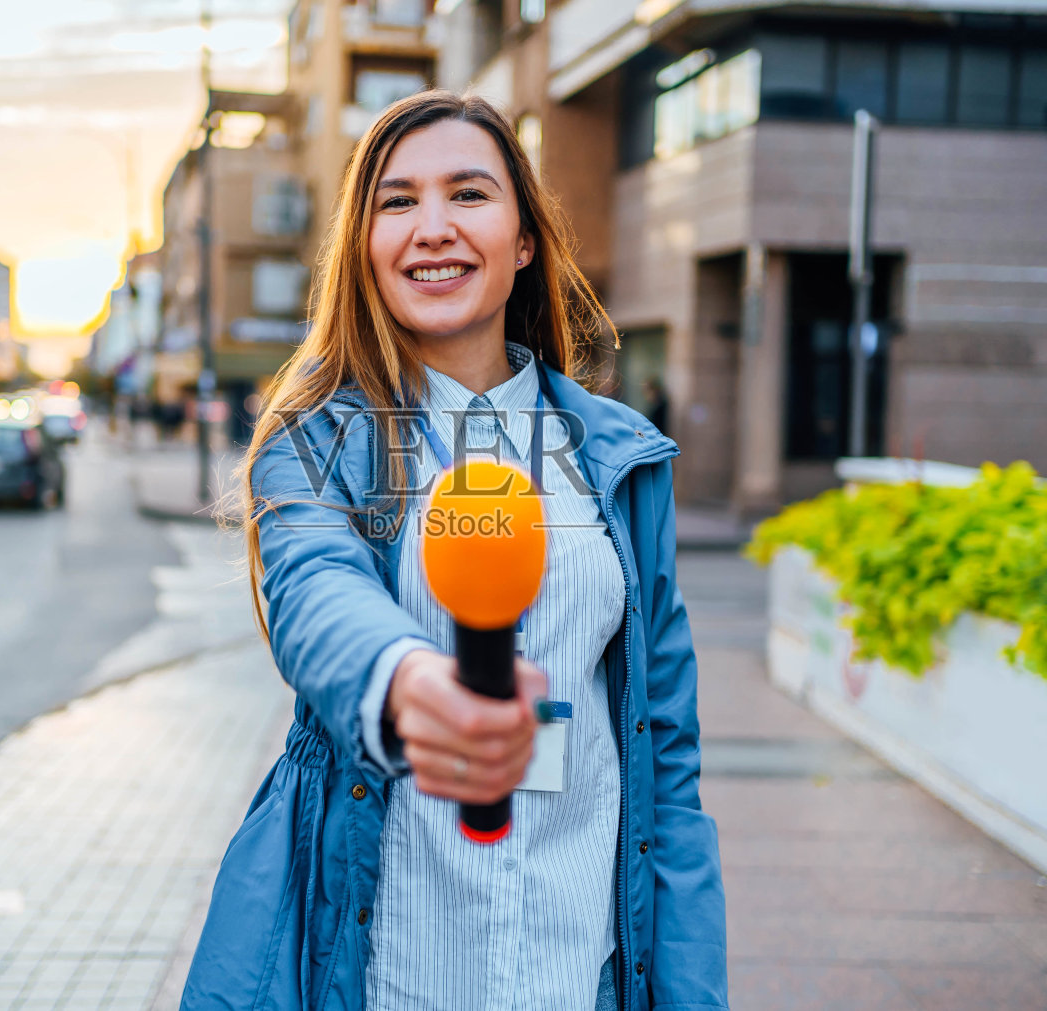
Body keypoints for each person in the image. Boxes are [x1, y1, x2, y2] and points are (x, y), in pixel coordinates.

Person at [180, 92, 728, 1011]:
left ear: (523, 240)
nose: (432, 228)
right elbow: (318, 592)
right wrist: (408, 682)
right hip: (390, 965)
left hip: (579, 965)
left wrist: (689, 989)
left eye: (468, 194)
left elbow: (667, 758)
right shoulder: (312, 444)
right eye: (396, 203)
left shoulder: (622, 458)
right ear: (364, 247)